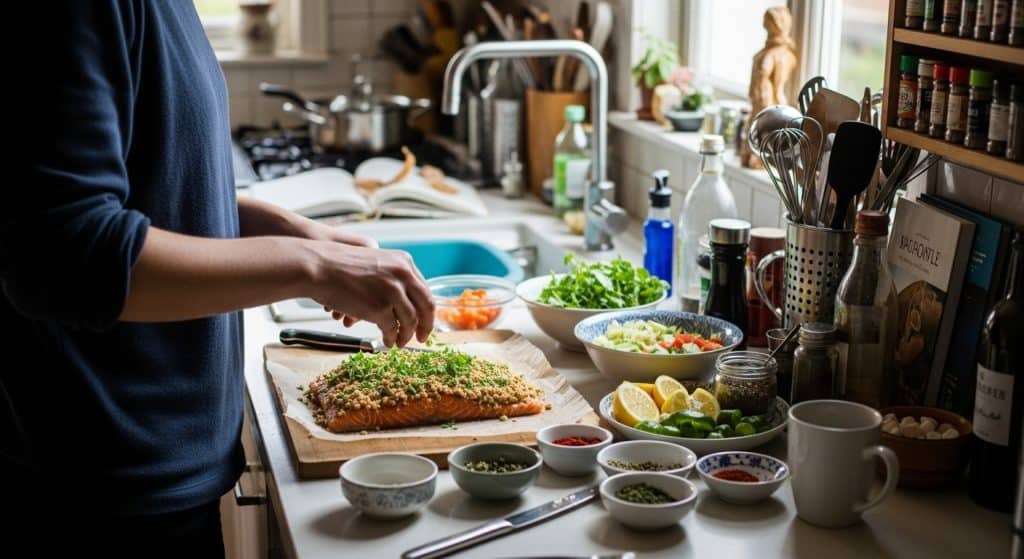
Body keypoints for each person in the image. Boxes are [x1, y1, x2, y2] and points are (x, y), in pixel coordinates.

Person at [1, 2, 434, 555]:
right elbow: (64, 254)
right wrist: (310, 267)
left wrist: (289, 232)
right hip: (95, 492)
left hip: (154, 465)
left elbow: (153, 184)